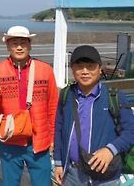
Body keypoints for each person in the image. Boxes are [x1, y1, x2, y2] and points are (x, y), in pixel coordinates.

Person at [0, 25, 59, 186]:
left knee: (43, 183)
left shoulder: (46, 70)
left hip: (39, 142)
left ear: (30, 45)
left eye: (23, 43)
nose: (19, 47)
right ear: (7, 45)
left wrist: (53, 138)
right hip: (10, 141)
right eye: (14, 43)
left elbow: (53, 107)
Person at [54, 45, 134, 186]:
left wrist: (111, 149)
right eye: (80, 66)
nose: (85, 71)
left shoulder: (114, 96)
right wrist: (59, 163)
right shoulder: (66, 95)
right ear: (72, 69)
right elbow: (59, 130)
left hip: (106, 176)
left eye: (90, 66)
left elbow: (131, 131)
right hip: (72, 174)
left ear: (100, 68)